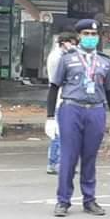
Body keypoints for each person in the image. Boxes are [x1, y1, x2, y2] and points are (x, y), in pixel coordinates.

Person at [45, 19, 110, 218]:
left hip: (95, 109)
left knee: (90, 157)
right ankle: (63, 200)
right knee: (68, 156)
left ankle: (89, 199)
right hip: (72, 108)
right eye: (86, 34)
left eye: (94, 34)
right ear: (79, 36)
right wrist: (50, 117)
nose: (90, 37)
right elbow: (54, 87)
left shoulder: (105, 62)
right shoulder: (67, 59)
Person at [45, 32, 78, 175]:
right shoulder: (57, 57)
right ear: (64, 43)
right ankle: (54, 163)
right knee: (59, 134)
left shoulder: (63, 56)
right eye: (73, 43)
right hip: (61, 99)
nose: (75, 47)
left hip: (68, 99)